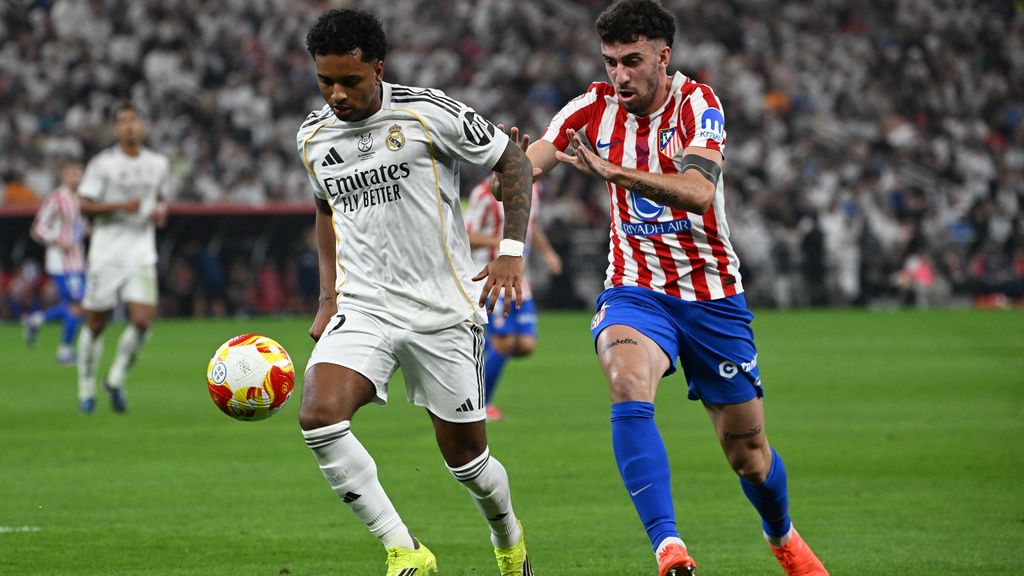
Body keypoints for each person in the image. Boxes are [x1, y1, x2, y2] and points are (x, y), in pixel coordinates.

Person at [522, 1, 828, 574]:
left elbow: (697, 191)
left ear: (663, 57)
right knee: (626, 383)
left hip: (712, 298)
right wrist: (507, 167)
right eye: (611, 61)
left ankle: (783, 536)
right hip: (635, 290)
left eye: (632, 61)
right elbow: (535, 157)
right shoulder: (591, 106)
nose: (620, 75)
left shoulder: (698, 104)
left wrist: (615, 173)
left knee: (749, 457)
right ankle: (669, 547)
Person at [295, 9, 534, 576]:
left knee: (468, 463)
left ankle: (509, 538)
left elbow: (514, 161)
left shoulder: (430, 113)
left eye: (349, 80)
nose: (336, 94)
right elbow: (325, 211)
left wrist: (510, 251)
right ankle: (405, 550)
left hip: (442, 311)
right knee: (319, 416)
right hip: (365, 306)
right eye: (325, 81)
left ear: (378, 68)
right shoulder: (313, 136)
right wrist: (328, 298)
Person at [76, 104, 170, 414]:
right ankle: (86, 388)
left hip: (141, 252)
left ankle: (114, 380)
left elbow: (161, 200)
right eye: (123, 122)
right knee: (96, 322)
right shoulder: (103, 164)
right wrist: (119, 206)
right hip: (106, 252)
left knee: (142, 321)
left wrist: (160, 213)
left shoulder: (158, 164)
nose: (129, 126)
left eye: (134, 120)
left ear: (142, 126)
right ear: (116, 130)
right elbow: (84, 205)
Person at [464, 129, 562, 420]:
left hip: (521, 279)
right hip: (492, 277)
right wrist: (502, 242)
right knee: (504, 343)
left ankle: (471, 370)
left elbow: (530, 225)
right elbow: (467, 235)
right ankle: (481, 404)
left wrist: (547, 252)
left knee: (524, 345)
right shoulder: (483, 194)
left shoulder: (532, 189)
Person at [25, 161, 88, 364]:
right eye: (71, 173)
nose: (75, 177)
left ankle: (36, 320)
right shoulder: (57, 198)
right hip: (61, 261)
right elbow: (38, 228)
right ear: (63, 176)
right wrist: (57, 240)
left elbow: (80, 226)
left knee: (79, 305)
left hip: (78, 259)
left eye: (78, 172)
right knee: (78, 305)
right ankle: (65, 351)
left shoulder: (84, 198)